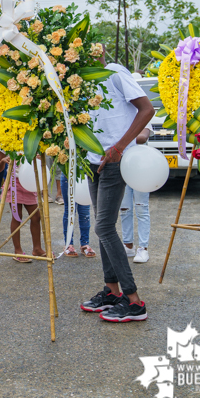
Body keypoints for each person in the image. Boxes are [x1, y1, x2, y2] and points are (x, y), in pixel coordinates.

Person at [80, 52, 153, 322]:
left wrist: (119, 147)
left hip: (114, 161)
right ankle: (111, 291)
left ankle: (134, 302)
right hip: (91, 161)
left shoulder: (113, 72)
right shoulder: (80, 85)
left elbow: (147, 109)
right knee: (104, 229)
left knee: (103, 227)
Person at [0, 151, 43, 262]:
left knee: (36, 216)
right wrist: (3, 161)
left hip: (29, 181)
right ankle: (18, 251)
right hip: (14, 182)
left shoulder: (34, 138)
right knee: (17, 216)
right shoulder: (6, 140)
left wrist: (40, 159)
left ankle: (37, 249)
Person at [120, 127, 152, 263]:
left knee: (141, 208)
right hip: (124, 166)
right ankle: (128, 245)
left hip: (141, 168)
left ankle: (143, 248)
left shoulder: (143, 114)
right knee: (124, 209)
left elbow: (142, 137)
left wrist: (121, 139)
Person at [60, 172, 93, 257]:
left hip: (85, 174)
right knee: (70, 210)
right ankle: (68, 244)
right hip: (68, 173)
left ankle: (85, 244)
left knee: (85, 211)